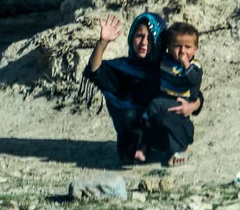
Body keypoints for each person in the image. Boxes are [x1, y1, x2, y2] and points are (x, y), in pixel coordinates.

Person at [83, 13, 202, 166]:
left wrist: (192, 106)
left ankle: (180, 148)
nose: (144, 42)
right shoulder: (124, 68)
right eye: (139, 36)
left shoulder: (166, 66)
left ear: (159, 42)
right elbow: (95, 71)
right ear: (132, 37)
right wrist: (103, 42)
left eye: (151, 38)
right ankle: (141, 148)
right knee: (128, 117)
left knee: (163, 116)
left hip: (165, 127)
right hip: (135, 133)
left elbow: (194, 92)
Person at [143, 22, 202, 166]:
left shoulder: (194, 67)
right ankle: (164, 147)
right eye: (177, 46)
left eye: (188, 47)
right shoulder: (165, 61)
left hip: (180, 103)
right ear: (169, 47)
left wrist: (185, 64)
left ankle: (182, 149)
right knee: (163, 118)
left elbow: (195, 81)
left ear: (195, 49)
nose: (182, 51)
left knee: (156, 106)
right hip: (165, 99)